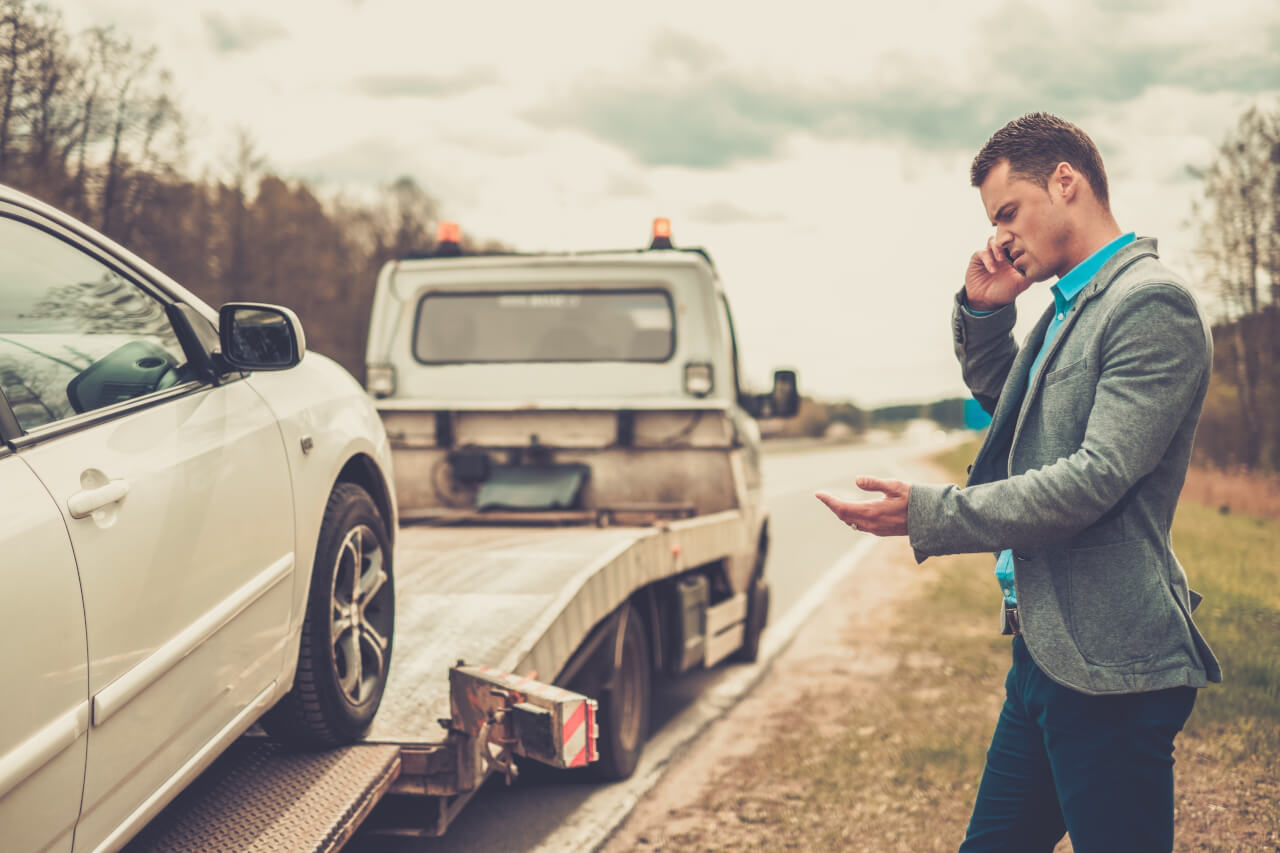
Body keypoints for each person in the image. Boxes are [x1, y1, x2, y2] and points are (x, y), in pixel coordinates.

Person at [815, 112, 1220, 853]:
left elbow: (1090, 479)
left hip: (1111, 669)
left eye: (1008, 212)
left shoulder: (1148, 303)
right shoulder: (1071, 304)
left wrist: (930, 513)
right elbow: (1022, 416)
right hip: (1046, 650)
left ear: (1065, 181)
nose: (1000, 237)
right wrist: (985, 313)